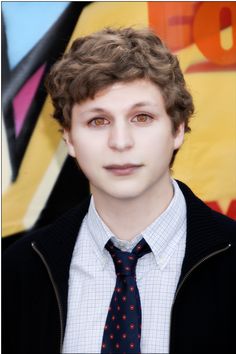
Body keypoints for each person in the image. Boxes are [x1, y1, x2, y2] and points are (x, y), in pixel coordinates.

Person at [2, 27, 235, 354]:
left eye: (142, 117)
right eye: (98, 121)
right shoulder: (17, 271)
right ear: (69, 137)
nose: (120, 142)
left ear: (178, 129)